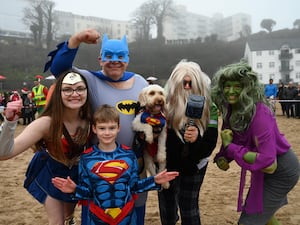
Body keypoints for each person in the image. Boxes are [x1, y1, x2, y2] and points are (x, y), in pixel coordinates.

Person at [44, 28, 149, 225]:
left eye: (120, 56)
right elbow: (59, 70)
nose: (115, 60)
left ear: (127, 59)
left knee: (134, 212)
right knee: (95, 212)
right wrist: (76, 39)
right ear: (100, 59)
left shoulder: (141, 82)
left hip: (133, 164)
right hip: (96, 165)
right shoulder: (90, 79)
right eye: (108, 56)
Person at [52, 104, 179, 225]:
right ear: (94, 129)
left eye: (111, 128)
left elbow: (134, 187)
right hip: (97, 217)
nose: (107, 133)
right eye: (102, 128)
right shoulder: (86, 158)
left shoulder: (129, 155)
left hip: (126, 217)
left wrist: (154, 180)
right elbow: (88, 193)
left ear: (118, 128)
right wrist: (74, 189)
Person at [211, 62, 299, 225]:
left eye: (237, 86)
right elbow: (231, 137)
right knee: (264, 215)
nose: (230, 91)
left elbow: (268, 161)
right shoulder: (231, 109)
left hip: (281, 170)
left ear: (247, 87)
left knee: (249, 220)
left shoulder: (260, 114)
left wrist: (231, 149)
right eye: (227, 86)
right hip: (264, 170)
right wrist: (223, 156)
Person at [0, 71, 92, 225]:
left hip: (76, 175)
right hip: (51, 173)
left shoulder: (91, 120)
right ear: (58, 93)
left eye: (80, 88)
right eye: (68, 89)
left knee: (69, 219)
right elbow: (4, 154)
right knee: (57, 221)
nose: (74, 94)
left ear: (87, 92)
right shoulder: (46, 123)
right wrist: (9, 123)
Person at [158, 60, 219, 225]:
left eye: (190, 83)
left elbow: (210, 143)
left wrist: (196, 140)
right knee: (167, 207)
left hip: (195, 164)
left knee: (189, 207)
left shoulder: (209, 107)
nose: (186, 87)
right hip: (168, 163)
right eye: (182, 83)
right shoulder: (163, 104)